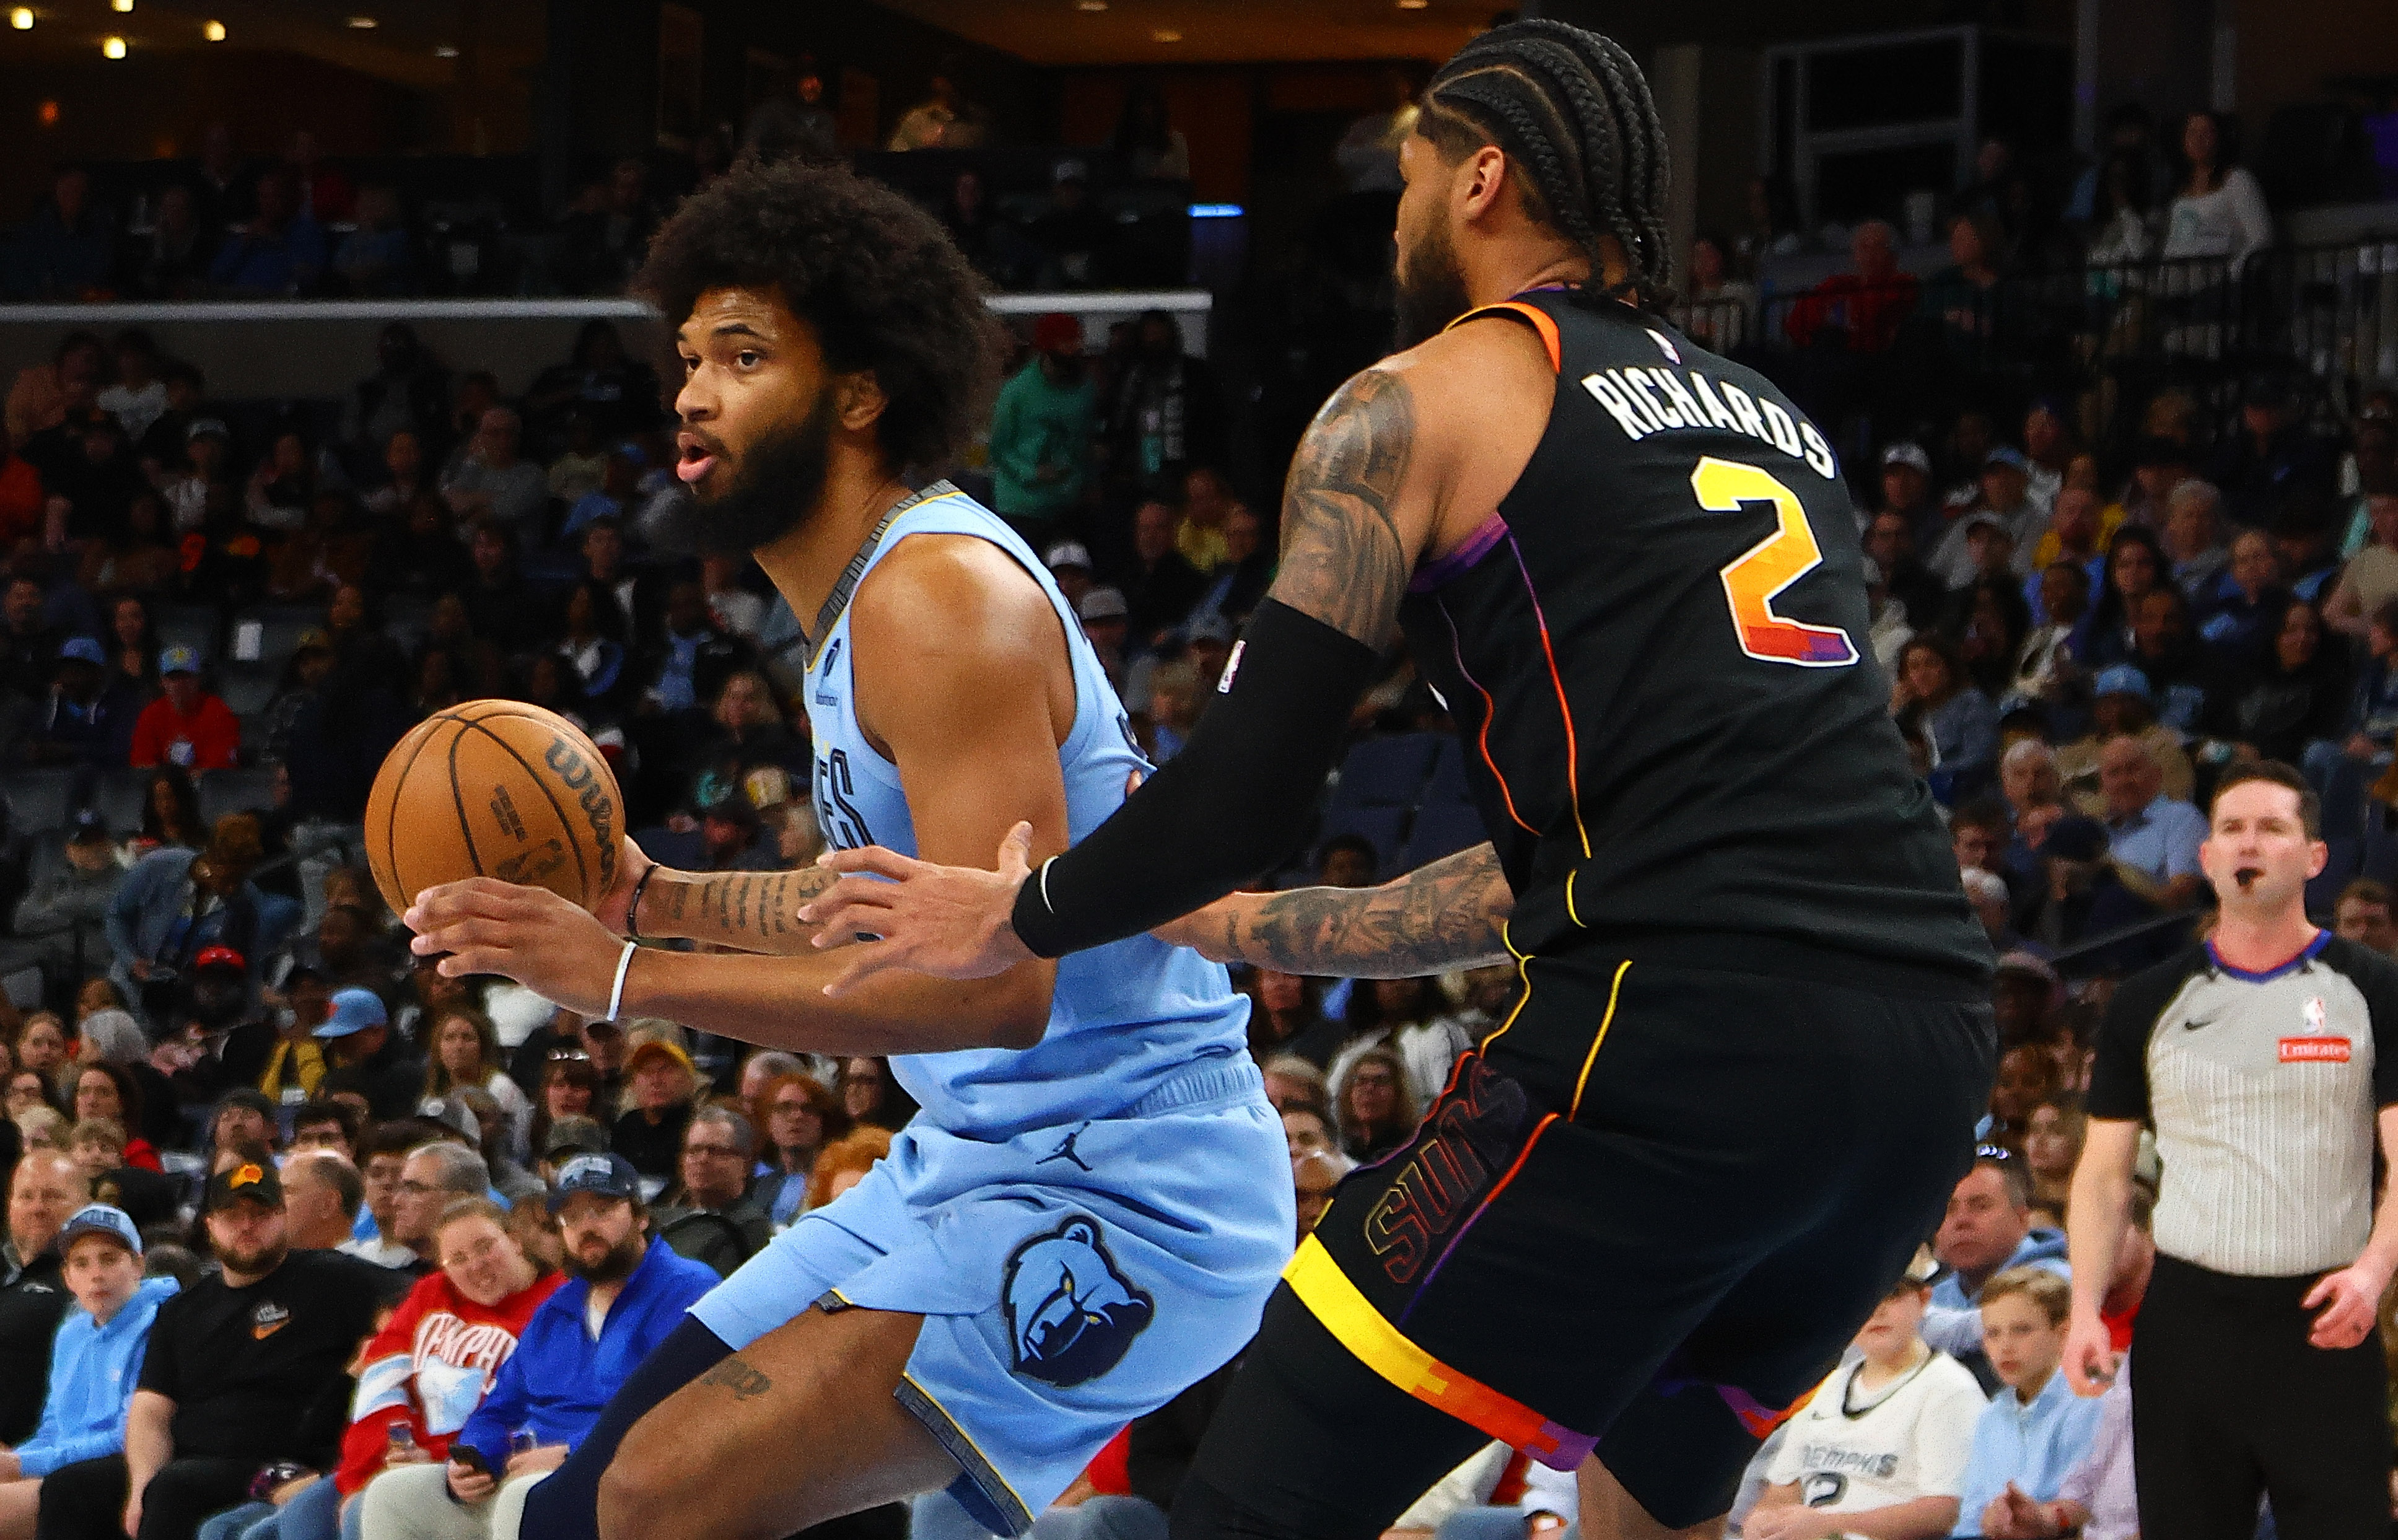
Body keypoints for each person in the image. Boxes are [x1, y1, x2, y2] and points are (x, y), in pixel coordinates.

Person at [800, 22, 1997, 1540]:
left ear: (1485, 176)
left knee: (1248, 1476)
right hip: (1917, 1057)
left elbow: (1244, 783)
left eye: (1415, 169)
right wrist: (1220, 925)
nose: (1396, 206)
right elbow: (1552, 868)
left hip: (1684, 1026)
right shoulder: (1781, 422)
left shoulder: (1420, 400)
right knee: (1652, 1505)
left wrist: (1019, 914)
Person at [395, 154, 1290, 1540]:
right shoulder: (860, 609)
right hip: (982, 1151)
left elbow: (999, 982)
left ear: (860, 392)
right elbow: (890, 906)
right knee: (576, 1513)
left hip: (1130, 1177)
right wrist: (662, 891)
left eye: (743, 356)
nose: (691, 392)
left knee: (656, 1505)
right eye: (687, 356)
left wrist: (626, 971)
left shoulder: (936, 600)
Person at [2064, 761, 2398, 1540]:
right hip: (2186, 1323)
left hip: (2323, 1316)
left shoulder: (2374, 988)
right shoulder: (2147, 999)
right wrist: (2083, 1306)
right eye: (2232, 828)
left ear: (2314, 857)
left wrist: (2373, 1272)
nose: (2249, 842)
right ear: (2207, 856)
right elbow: (2104, 1176)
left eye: (2272, 827)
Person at [352, 1156, 715, 1540]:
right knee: (392, 1495)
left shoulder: (685, 1289)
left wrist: (572, 1454)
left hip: (623, 1482)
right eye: (572, 1219)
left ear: (640, 1216)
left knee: (525, 1498)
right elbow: (501, 1405)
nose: (587, 1228)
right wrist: (475, 1457)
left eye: (603, 1211)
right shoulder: (557, 1308)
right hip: (527, 1474)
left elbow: (677, 1410)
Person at [32, 1162, 383, 1540]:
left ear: (282, 1218)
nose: (247, 1226)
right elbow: (151, 1412)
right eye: (233, 1216)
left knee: (174, 1490)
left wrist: (381, 1344)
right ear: (210, 1225)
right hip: (189, 1455)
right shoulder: (181, 1310)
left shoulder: (333, 1277)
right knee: (69, 1489)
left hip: (279, 1460)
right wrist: (140, 1488)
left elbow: (413, 1301)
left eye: (261, 1215)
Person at [328, 1197, 561, 1533]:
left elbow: (524, 1412)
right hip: (397, 1458)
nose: (476, 1266)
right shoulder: (432, 1294)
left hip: (475, 1469)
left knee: (362, 1512)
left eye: (486, 1248)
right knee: (298, 1516)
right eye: (458, 1259)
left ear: (515, 1240)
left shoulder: (556, 1308)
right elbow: (381, 1382)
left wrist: (437, 1458)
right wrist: (379, 1461)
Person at [1745, 1251, 1983, 1540]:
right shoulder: (1827, 1385)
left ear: (1923, 1301)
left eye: (1893, 1295)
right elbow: (1782, 1489)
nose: (1877, 1311)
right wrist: (1762, 1521)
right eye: (1864, 1299)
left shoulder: (1949, 1388)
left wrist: (1830, 1527)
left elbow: (1944, 1512)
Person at [0, 1205, 176, 1540]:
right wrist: (17, 1460)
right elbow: (54, 1427)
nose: (96, 1274)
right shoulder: (71, 1334)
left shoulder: (159, 1325)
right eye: (82, 1264)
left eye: (109, 1259)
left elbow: (129, 1437)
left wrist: (23, 1465)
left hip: (114, 1473)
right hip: (60, 1468)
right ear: (67, 1277)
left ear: (138, 1265)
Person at [1953, 1268, 2103, 1538]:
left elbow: (2089, 1508)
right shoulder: (1991, 1417)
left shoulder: (2088, 1404)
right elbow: (1970, 1521)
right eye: (1992, 1334)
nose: (2005, 1347)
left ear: (2063, 1334)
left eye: (2021, 1331)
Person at [1, 1152, 89, 1447]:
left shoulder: (90, 1284)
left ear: (84, 1206)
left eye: (52, 1197)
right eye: (26, 1197)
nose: (38, 1208)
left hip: (28, 1453)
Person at [989, 315, 1095, 545]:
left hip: (1067, 506)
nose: (1076, 349)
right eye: (1068, 343)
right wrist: (1032, 473)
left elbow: (1083, 443)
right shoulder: (1016, 391)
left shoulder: (1086, 391)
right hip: (1020, 507)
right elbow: (998, 449)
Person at [651, 1106, 772, 1278]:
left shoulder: (748, 1229)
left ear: (745, 1164)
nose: (702, 1160)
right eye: (694, 1150)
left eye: (716, 1151)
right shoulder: (662, 1217)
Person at [126, 649, 237, 772]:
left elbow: (220, 768)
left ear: (198, 679)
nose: (179, 685)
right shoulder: (151, 714)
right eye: (173, 678)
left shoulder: (218, 713)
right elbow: (141, 763)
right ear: (162, 682)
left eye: (186, 677)